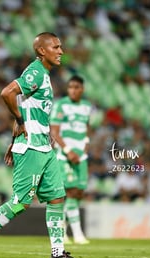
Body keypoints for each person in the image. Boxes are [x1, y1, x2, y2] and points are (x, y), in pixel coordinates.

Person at [0, 32, 87, 258]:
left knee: (57, 197)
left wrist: (14, 135)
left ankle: (58, 253)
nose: (61, 51)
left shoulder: (45, 75)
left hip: (44, 147)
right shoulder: (35, 72)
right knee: (21, 202)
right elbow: (7, 93)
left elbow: (23, 105)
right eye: (56, 47)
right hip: (31, 147)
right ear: (42, 50)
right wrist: (20, 124)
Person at [50, 75, 91, 244]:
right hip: (65, 155)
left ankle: (68, 231)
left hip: (81, 155)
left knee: (79, 192)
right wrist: (68, 151)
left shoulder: (87, 107)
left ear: (82, 89)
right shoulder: (61, 105)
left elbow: (86, 129)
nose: (73, 90)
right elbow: (54, 131)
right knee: (68, 191)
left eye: (76, 87)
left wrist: (85, 146)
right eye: (70, 87)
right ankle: (75, 233)